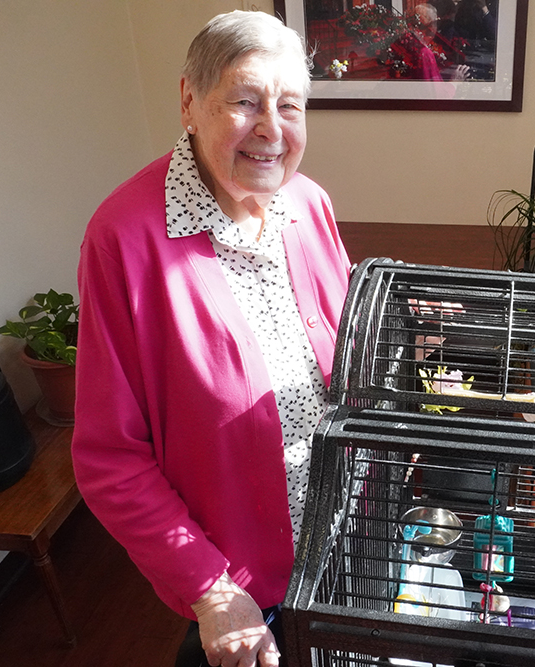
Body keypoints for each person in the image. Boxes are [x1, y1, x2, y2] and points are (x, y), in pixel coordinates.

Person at [71, 10, 350, 667]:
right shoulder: (125, 238)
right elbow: (109, 458)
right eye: (246, 101)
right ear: (189, 102)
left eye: (290, 105)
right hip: (246, 591)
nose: (272, 131)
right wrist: (212, 589)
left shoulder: (307, 203)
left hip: (341, 549)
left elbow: (344, 356)